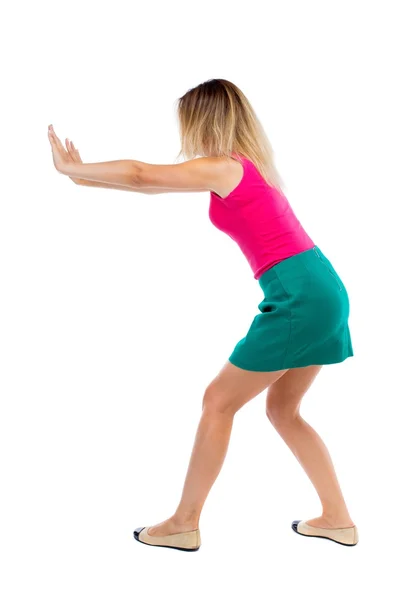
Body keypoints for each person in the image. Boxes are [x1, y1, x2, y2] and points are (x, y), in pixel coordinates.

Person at [48, 78, 358, 551]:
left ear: (204, 119)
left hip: (300, 296)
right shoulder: (243, 168)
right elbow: (149, 186)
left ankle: (184, 523)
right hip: (320, 288)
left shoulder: (223, 167)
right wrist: (81, 176)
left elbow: (140, 174)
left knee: (218, 400)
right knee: (283, 409)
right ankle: (337, 519)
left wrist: (76, 165)